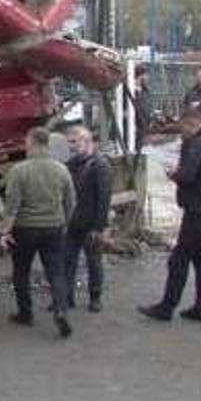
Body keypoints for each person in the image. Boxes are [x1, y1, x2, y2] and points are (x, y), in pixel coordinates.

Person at [139, 108, 201, 323]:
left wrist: (173, 173)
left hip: (198, 209)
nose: (181, 134)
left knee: (180, 258)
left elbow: (188, 175)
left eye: (183, 129)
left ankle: (167, 306)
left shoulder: (197, 145)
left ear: (192, 124)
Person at [1, 126, 76, 337]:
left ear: (32, 142)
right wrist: (67, 224)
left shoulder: (19, 170)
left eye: (26, 140)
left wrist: (5, 231)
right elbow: (71, 201)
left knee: (21, 271)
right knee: (56, 272)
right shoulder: (62, 169)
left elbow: (12, 204)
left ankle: (25, 313)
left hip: (25, 229)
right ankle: (61, 310)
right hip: (54, 227)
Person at [64, 125, 112, 313]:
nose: (72, 146)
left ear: (87, 141)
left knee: (93, 261)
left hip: (91, 223)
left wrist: (99, 227)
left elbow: (104, 198)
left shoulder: (100, 165)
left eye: (74, 142)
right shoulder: (72, 164)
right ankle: (66, 297)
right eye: (70, 142)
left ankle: (95, 297)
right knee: (68, 260)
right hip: (73, 221)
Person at [133, 65, 152, 153]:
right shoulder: (130, 89)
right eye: (145, 75)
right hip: (133, 124)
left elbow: (146, 105)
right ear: (140, 76)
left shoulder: (145, 90)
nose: (147, 77)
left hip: (143, 124)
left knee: (139, 147)